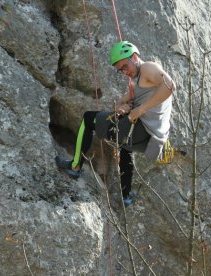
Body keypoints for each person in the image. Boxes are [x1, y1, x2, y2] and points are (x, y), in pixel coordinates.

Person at [55, 41, 176, 206]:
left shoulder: (148, 68)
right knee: (125, 148)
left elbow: (169, 86)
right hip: (149, 142)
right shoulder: (137, 83)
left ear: (134, 57)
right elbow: (120, 103)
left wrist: (141, 110)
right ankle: (126, 196)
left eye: (125, 66)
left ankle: (75, 166)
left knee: (89, 119)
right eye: (120, 70)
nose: (124, 72)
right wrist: (122, 108)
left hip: (144, 133)